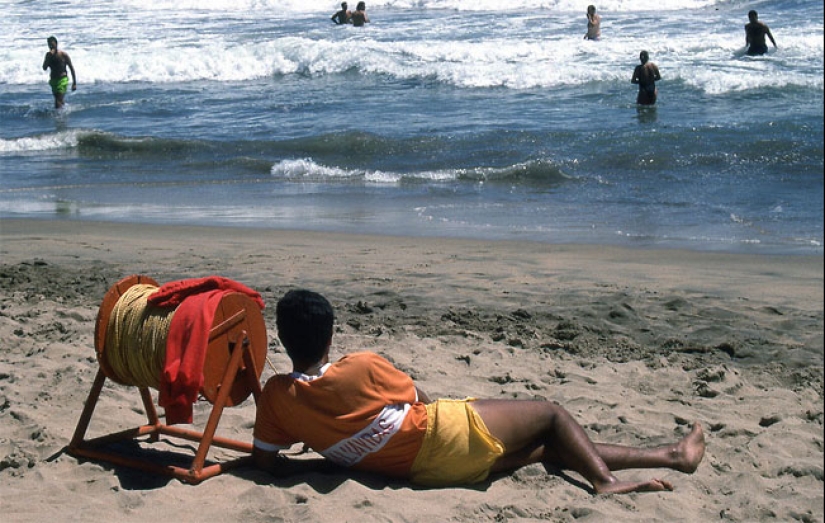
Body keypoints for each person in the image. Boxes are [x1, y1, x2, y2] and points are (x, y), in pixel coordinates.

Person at [253, 289, 706, 494]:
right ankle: (605, 482)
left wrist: (336, 447)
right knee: (550, 414)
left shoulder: (276, 397)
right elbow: (423, 401)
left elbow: (266, 462)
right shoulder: (360, 367)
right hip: (447, 437)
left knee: (552, 448)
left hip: (426, 473)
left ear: (283, 340)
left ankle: (671, 456)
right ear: (331, 338)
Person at [42, 36, 77, 109]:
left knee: (57, 102)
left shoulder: (63, 55)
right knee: (59, 100)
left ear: (56, 44)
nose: (51, 46)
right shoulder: (48, 55)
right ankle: (66, 111)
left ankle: (59, 119)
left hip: (62, 80)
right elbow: (44, 68)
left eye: (52, 44)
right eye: (49, 45)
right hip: (53, 81)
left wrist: (74, 83)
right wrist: (49, 58)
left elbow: (71, 68)